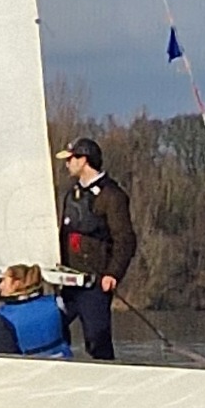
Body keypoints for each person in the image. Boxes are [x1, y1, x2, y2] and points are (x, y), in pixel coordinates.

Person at [56, 137, 136, 362]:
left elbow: (125, 239)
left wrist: (113, 273)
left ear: (84, 160)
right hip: (69, 281)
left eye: (71, 159)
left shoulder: (112, 196)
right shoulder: (72, 194)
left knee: (97, 339)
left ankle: (108, 379)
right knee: (53, 325)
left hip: (95, 283)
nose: (67, 164)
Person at [0, 263, 71, 358]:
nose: (0, 285)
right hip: (64, 362)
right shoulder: (54, 303)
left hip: (29, 368)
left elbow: (4, 354)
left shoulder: (5, 315)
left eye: (4, 281)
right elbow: (65, 336)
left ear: (16, 284)